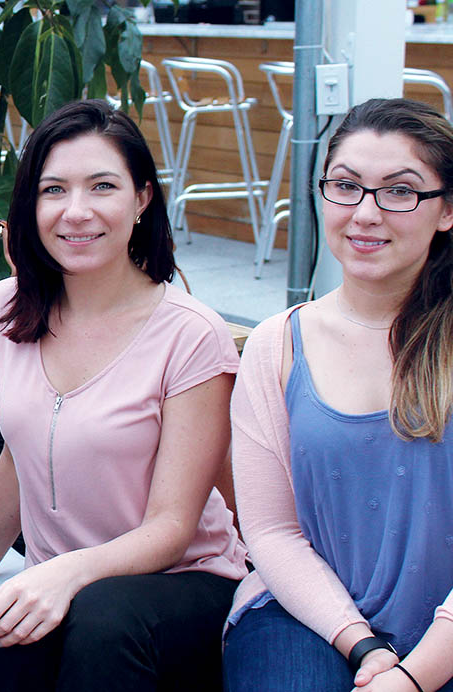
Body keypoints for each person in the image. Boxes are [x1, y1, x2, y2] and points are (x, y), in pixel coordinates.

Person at [0, 99, 248, 691]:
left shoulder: (191, 335)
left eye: (102, 186)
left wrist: (66, 574)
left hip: (183, 582)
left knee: (100, 619)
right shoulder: (4, 312)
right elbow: (22, 449)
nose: (76, 211)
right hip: (69, 582)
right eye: (54, 190)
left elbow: (173, 526)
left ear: (141, 199)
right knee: (6, 630)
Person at [224, 98, 453, 692]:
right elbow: (272, 532)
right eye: (346, 186)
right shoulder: (277, 344)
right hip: (307, 612)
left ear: (447, 209)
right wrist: (362, 643)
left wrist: (412, 677)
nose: (366, 213)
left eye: (400, 191)